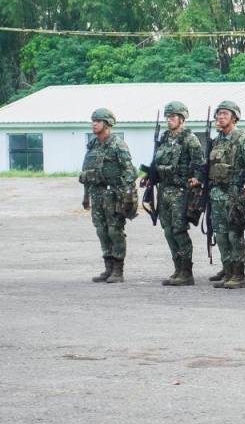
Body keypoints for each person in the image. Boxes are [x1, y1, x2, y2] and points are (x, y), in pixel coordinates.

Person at [147, 101, 204, 286]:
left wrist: (196, 179)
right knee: (168, 231)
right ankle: (177, 268)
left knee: (179, 231)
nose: (169, 120)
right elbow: (156, 163)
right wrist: (150, 177)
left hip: (181, 191)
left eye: (172, 117)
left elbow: (199, 164)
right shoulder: (164, 138)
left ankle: (186, 272)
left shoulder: (189, 139)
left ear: (181, 118)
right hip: (164, 190)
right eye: (168, 117)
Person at [80, 108, 138, 284]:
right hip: (97, 193)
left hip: (114, 193)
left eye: (97, 121)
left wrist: (127, 194)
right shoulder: (92, 145)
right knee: (101, 230)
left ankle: (118, 270)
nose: (94, 124)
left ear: (107, 124)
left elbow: (130, 171)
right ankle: (108, 268)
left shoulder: (117, 144)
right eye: (93, 121)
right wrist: (86, 196)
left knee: (115, 231)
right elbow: (86, 171)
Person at [206, 100, 245, 289]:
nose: (220, 117)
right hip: (217, 194)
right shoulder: (216, 140)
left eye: (225, 114)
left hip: (235, 194)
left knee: (234, 236)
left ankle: (238, 275)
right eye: (218, 114)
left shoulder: (242, 139)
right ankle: (227, 273)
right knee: (220, 236)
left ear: (234, 117)